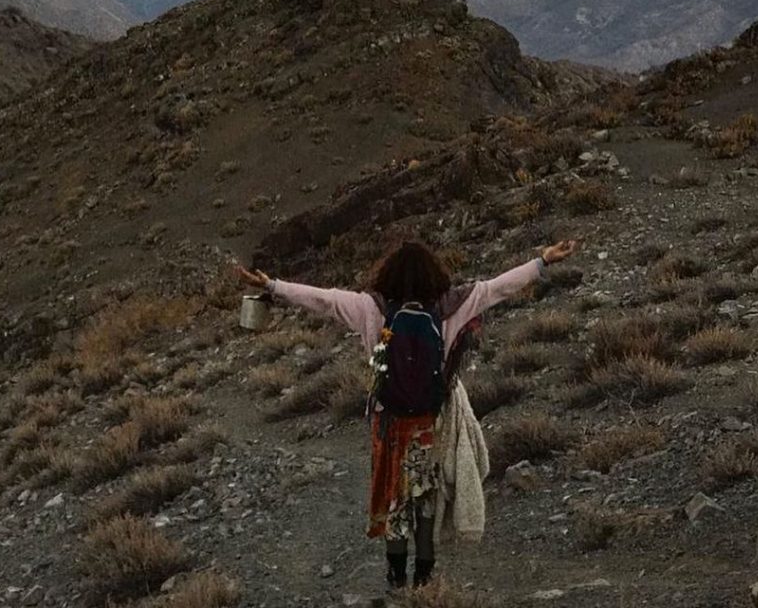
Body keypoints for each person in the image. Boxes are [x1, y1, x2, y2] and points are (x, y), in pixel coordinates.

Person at [236, 238, 579, 591]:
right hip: (431, 425)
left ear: (389, 274)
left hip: (390, 425)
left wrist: (273, 286)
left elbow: (323, 299)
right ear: (434, 274)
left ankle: (396, 581)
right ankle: (425, 583)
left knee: (394, 502)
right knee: (425, 504)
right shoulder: (451, 306)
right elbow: (499, 288)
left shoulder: (371, 309)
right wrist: (542, 261)